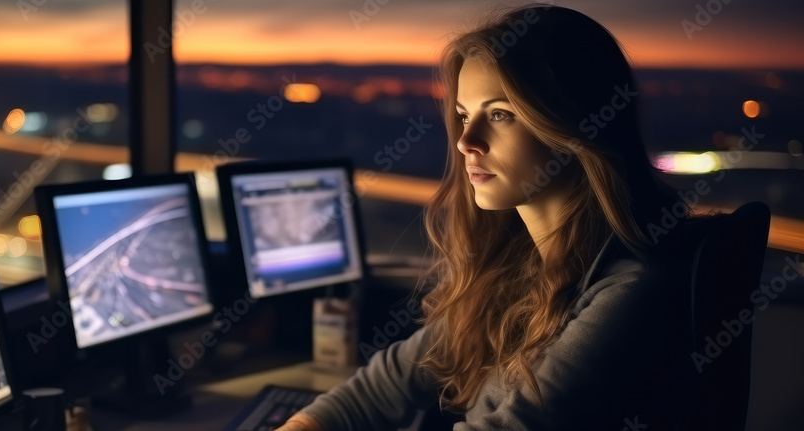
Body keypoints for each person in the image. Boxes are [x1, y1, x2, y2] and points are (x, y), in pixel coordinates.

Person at [279, 3, 702, 430]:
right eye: (464, 115)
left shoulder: (630, 291)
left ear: (574, 127)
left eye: (500, 114)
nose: (466, 141)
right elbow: (385, 385)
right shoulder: (514, 265)